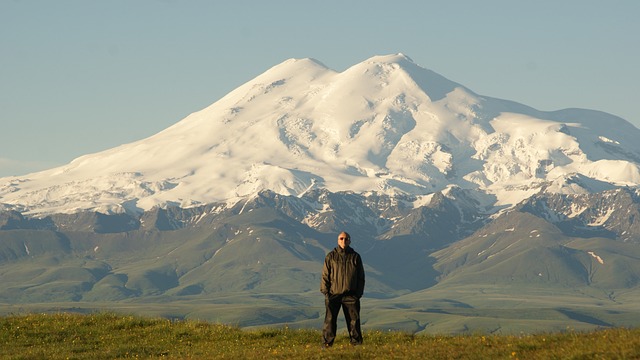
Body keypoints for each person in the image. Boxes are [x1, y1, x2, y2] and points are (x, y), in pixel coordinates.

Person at [320, 231, 365, 347]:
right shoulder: (331, 256)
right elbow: (325, 275)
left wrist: (358, 294)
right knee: (329, 321)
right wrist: (326, 292)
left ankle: (356, 344)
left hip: (351, 295)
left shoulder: (355, 257)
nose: (344, 241)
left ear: (350, 241)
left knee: (353, 321)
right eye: (341, 238)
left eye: (346, 239)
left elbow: (361, 277)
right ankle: (327, 344)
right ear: (337, 240)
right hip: (333, 294)